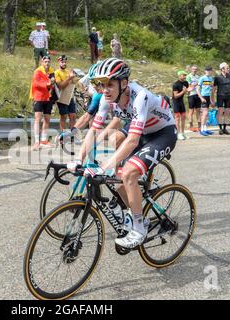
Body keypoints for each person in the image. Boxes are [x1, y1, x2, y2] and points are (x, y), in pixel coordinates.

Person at [68, 58, 176, 249]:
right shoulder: (105, 99)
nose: (104, 89)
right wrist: (79, 158)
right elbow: (93, 131)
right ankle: (135, 211)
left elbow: (132, 140)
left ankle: (139, 227)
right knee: (117, 181)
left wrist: (104, 166)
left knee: (128, 173)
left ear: (124, 83)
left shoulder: (139, 96)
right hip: (144, 133)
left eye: (109, 84)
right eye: (101, 85)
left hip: (163, 133)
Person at [30, 55, 56, 150]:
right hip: (38, 97)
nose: (47, 63)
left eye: (48, 61)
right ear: (42, 62)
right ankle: (37, 141)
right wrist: (48, 84)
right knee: (37, 119)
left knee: (47, 119)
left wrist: (53, 82)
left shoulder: (51, 71)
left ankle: (44, 140)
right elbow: (36, 84)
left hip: (48, 98)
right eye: (45, 61)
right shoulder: (38, 71)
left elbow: (53, 82)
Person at [55, 55, 77, 134]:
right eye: (62, 62)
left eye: (65, 62)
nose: (64, 63)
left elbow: (73, 83)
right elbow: (60, 86)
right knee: (63, 116)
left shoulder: (68, 71)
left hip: (70, 96)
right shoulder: (57, 72)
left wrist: (74, 77)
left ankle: (73, 135)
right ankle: (63, 135)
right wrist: (69, 78)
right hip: (62, 98)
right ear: (59, 62)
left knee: (73, 116)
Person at [211, 62, 230, 135]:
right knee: (220, 112)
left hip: (228, 96)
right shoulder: (217, 77)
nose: (228, 69)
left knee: (227, 112)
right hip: (220, 96)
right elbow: (214, 89)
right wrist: (212, 99)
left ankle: (225, 129)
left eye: (228, 68)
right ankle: (220, 128)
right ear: (222, 69)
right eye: (227, 68)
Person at [196, 66, 215, 136]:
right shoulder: (202, 78)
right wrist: (201, 98)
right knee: (205, 113)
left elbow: (210, 90)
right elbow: (197, 89)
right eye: (207, 70)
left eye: (210, 70)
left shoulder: (211, 78)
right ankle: (201, 129)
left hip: (208, 96)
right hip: (203, 96)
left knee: (206, 114)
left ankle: (205, 128)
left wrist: (211, 100)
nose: (209, 72)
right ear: (205, 71)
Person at [172, 70, 189, 140]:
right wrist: (183, 91)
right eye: (183, 75)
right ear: (179, 76)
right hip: (175, 102)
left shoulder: (186, 83)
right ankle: (178, 134)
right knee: (177, 118)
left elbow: (187, 91)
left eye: (185, 75)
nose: (185, 76)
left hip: (181, 101)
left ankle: (183, 133)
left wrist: (190, 89)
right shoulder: (175, 84)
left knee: (183, 117)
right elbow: (175, 96)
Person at [186, 65, 201, 132]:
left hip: (197, 95)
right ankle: (191, 126)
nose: (194, 70)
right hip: (191, 95)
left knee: (198, 110)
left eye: (196, 69)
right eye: (193, 69)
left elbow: (201, 85)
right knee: (191, 111)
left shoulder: (198, 77)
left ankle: (199, 126)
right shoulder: (188, 76)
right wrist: (196, 84)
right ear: (191, 70)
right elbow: (189, 86)